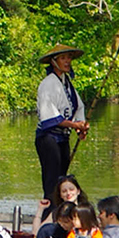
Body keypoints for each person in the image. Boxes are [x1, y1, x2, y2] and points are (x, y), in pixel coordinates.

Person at [35, 46, 88, 219]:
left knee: (62, 180)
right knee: (52, 182)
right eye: (63, 58)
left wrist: (81, 126)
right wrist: (74, 125)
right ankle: (48, 216)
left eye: (69, 58)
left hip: (63, 137)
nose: (67, 62)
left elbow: (78, 107)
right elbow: (49, 118)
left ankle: (60, 214)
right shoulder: (48, 84)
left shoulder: (67, 83)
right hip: (48, 138)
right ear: (54, 61)